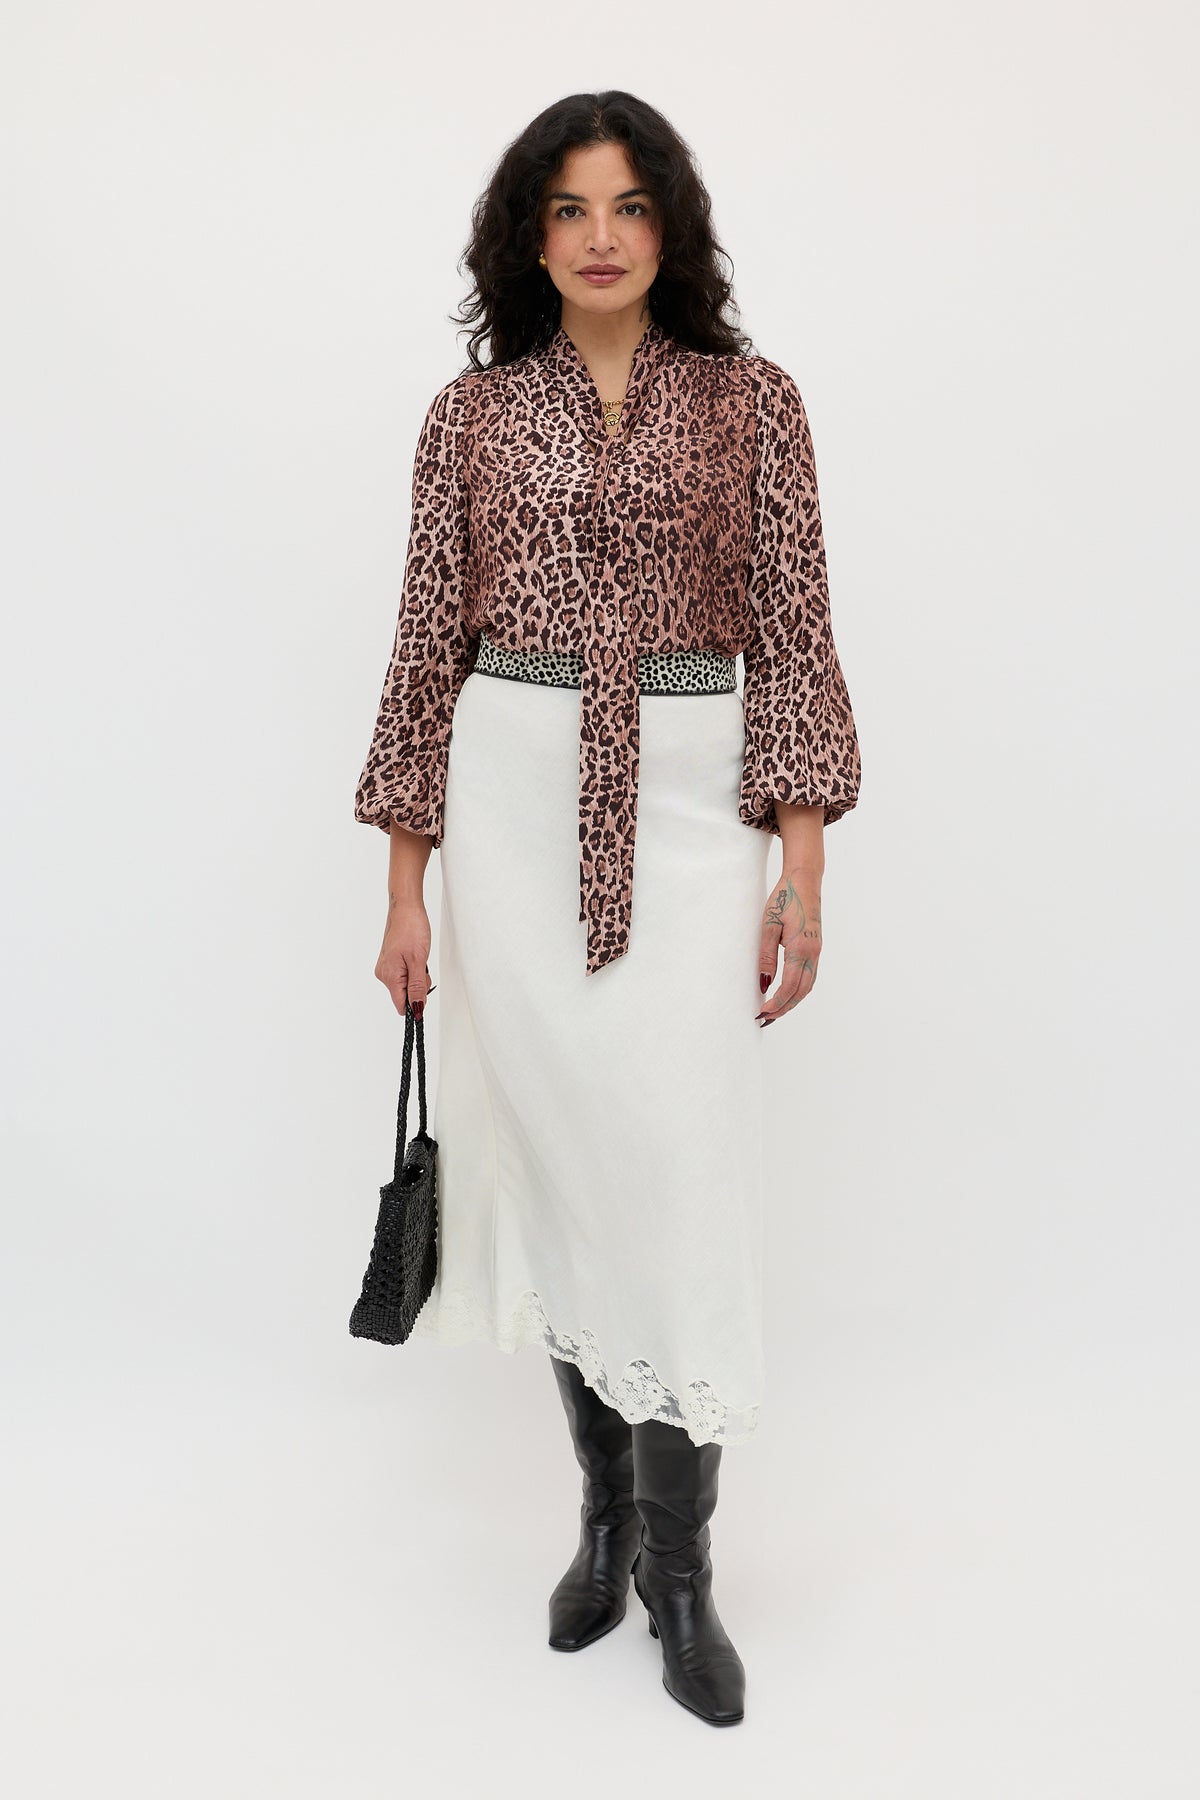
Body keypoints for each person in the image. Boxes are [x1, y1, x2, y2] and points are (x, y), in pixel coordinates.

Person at [353, 90, 862, 1727]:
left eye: (629, 205)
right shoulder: (472, 417)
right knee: (572, 1182)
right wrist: (406, 892)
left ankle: (687, 1565)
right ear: (530, 231)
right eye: (567, 208)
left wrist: (803, 868)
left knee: (679, 1189)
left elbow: (795, 630)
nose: (598, 235)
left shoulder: (754, 405)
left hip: (693, 810)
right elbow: (425, 644)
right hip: (507, 816)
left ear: (672, 229)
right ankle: (605, 1525)